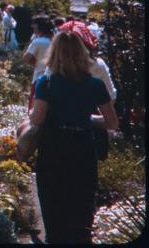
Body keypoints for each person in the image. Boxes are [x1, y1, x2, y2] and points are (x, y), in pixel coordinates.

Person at [29, 30, 118, 243]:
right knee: (82, 205)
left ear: (55, 54)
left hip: (54, 148)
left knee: (54, 204)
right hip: (83, 148)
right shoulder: (95, 85)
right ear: (82, 53)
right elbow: (111, 123)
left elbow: (37, 119)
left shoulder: (46, 83)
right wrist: (86, 118)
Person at [23, 15, 54, 110]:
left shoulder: (38, 42)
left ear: (39, 26)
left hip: (39, 78)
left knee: (34, 107)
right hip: (55, 78)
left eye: (34, 24)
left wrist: (34, 62)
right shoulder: (55, 40)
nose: (32, 26)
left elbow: (26, 59)